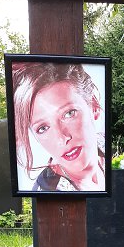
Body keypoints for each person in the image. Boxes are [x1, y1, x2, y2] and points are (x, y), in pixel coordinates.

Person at [12, 62, 105, 192]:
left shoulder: (113, 147)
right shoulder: (47, 191)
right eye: (43, 128)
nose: (62, 138)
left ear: (94, 106)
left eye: (69, 113)